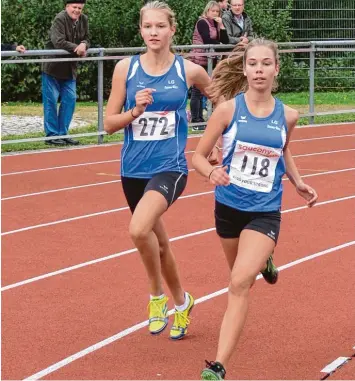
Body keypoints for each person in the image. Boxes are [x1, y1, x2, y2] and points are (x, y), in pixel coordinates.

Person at [192, 38, 318, 379]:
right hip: (229, 207)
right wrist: (211, 171)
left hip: (265, 211)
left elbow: (283, 150)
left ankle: (218, 367)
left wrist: (297, 182)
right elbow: (198, 157)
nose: (259, 69)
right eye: (253, 64)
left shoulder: (288, 115)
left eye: (266, 63)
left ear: (276, 69)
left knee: (238, 282)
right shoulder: (227, 110)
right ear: (245, 69)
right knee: (240, 276)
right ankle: (265, 260)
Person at [104, 1, 211, 340]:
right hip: (133, 169)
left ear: (172, 30)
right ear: (141, 30)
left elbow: (220, 99)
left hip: (170, 167)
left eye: (160, 26)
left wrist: (215, 142)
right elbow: (108, 123)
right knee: (159, 245)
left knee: (138, 230)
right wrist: (134, 111)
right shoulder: (126, 69)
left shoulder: (188, 71)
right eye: (148, 26)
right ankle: (183, 303)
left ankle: (156, 297)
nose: (154, 32)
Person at [42, 0, 89, 146]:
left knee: (70, 99)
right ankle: (51, 135)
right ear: (67, 7)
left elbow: (87, 38)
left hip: (70, 69)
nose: (77, 10)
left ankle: (63, 133)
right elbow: (58, 41)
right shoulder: (60, 19)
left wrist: (84, 44)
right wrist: (77, 48)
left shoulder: (84, 19)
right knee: (51, 101)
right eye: (74, 7)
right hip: (53, 67)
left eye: (79, 8)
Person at [190, 1, 229, 130]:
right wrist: (220, 45)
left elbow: (225, 41)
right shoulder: (202, 22)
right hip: (200, 59)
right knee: (197, 91)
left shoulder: (216, 24)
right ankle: (196, 120)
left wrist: (222, 25)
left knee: (212, 89)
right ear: (207, 11)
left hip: (211, 60)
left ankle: (211, 117)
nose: (215, 13)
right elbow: (207, 40)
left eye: (217, 11)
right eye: (212, 11)